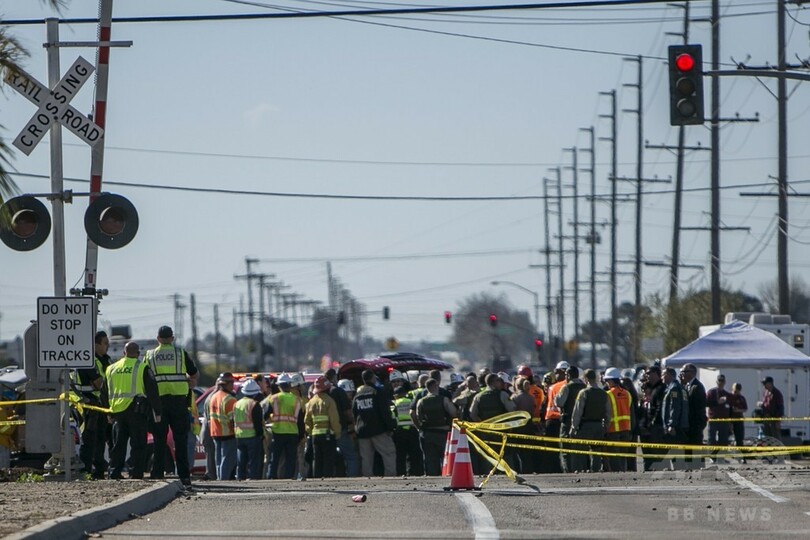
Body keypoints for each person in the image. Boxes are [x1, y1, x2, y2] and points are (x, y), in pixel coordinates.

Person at [144, 325, 198, 488]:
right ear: (172, 338)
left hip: (158, 403)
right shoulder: (180, 353)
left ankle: (157, 474)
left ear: (158, 339)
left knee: (159, 439)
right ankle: (184, 476)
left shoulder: (150, 355)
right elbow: (194, 374)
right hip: (178, 402)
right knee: (180, 440)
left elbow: (145, 377)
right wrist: (189, 383)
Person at [106, 342, 162, 480]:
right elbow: (152, 392)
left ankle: (114, 472)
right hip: (136, 412)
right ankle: (136, 473)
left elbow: (104, 393)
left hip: (117, 412)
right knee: (138, 445)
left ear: (123, 353)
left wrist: (108, 413)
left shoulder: (111, 368)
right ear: (138, 354)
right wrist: (157, 412)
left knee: (118, 445)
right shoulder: (142, 368)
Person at [71, 330, 110, 479]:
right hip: (88, 404)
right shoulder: (88, 361)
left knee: (100, 439)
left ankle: (99, 470)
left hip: (99, 404)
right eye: (105, 343)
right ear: (95, 344)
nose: (107, 346)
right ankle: (86, 471)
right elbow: (99, 383)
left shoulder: (104, 360)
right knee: (89, 440)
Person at [353, 369, 397, 477]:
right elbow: (385, 412)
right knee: (388, 453)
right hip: (378, 430)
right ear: (373, 378)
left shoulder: (357, 396)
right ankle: (390, 477)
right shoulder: (377, 392)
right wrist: (390, 427)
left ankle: (368, 479)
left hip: (362, 431)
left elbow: (355, 414)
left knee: (366, 458)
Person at [569, 369, 610, 473]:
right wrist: (606, 426)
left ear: (586, 379)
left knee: (581, 450)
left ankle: (582, 470)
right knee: (596, 451)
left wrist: (573, 427)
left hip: (585, 425)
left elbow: (577, 411)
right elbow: (608, 412)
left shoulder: (583, 393)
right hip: (598, 425)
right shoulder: (604, 394)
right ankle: (595, 471)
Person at [414, 378, 458, 476]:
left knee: (430, 460)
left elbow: (418, 416)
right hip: (443, 433)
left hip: (428, 433)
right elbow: (454, 413)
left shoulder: (421, 401)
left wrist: (420, 428)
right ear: (435, 386)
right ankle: (446, 475)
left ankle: (432, 479)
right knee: (445, 457)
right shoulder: (444, 399)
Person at [265, 373, 304, 479]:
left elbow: (266, 414)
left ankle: (271, 476)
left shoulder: (273, 399)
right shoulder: (296, 399)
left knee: (275, 457)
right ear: (290, 385)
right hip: (292, 433)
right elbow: (300, 420)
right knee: (290, 458)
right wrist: (301, 435)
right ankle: (289, 477)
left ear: (279, 386)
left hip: (278, 432)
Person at [304, 376, 341, 478]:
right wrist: (337, 434)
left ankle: (317, 480)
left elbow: (307, 421)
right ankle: (327, 480)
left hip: (315, 436)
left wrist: (311, 433)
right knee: (328, 460)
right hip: (328, 436)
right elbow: (334, 420)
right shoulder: (329, 401)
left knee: (317, 459)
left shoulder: (310, 402)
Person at [325, 370, 359, 477]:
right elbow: (347, 412)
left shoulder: (321, 392)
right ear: (334, 377)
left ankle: (326, 476)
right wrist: (354, 425)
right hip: (340, 429)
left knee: (328, 456)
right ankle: (352, 477)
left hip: (324, 431)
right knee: (351, 456)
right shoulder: (339, 392)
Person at [555, 366, 586, 473]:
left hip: (568, 422)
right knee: (580, 449)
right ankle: (581, 469)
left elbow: (559, 403)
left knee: (566, 449)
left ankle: (568, 472)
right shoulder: (585, 386)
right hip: (582, 423)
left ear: (568, 375)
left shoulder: (567, 387)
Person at [207, 373, 238, 480]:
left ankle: (220, 480)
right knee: (227, 460)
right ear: (226, 384)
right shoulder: (229, 399)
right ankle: (224, 480)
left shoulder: (213, 397)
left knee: (219, 460)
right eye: (231, 383)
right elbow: (233, 420)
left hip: (215, 433)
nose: (232, 385)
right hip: (227, 433)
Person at [234, 379, 264, 480]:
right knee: (253, 461)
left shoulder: (237, 404)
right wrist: (261, 435)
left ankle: (240, 478)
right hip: (252, 436)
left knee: (241, 461)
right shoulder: (254, 404)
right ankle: (252, 478)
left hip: (239, 436)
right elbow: (257, 423)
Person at [391, 383, 424, 476]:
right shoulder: (411, 401)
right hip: (412, 430)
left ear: (396, 395)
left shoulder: (394, 403)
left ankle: (401, 473)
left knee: (401, 455)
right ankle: (415, 473)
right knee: (414, 454)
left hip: (399, 431)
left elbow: (392, 417)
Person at [603, 367, 632, 472]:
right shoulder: (627, 393)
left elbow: (607, 413)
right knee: (623, 455)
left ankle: (617, 476)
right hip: (626, 429)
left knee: (614, 457)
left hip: (613, 430)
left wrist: (605, 428)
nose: (606, 383)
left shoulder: (608, 394)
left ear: (611, 380)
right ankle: (623, 473)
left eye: (607, 380)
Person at [639, 365, 666, 471]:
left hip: (656, 427)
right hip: (648, 427)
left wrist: (653, 423)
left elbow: (659, 408)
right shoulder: (652, 388)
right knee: (648, 456)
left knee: (656, 456)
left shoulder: (661, 389)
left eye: (649, 373)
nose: (647, 376)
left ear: (656, 374)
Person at [661, 367, 689, 468]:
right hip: (679, 424)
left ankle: (680, 472)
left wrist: (671, 424)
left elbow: (675, 407)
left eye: (664, 374)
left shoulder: (674, 388)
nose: (662, 377)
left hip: (675, 426)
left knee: (676, 452)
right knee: (676, 452)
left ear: (669, 375)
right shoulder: (677, 387)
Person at [706, 373, 732, 450]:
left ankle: (722, 457)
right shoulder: (711, 392)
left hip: (724, 420)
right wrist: (717, 402)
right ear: (717, 382)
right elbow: (706, 403)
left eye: (722, 381)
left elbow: (730, 408)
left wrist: (730, 421)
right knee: (712, 438)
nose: (721, 382)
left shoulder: (727, 394)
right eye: (719, 380)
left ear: (725, 382)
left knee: (724, 439)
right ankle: (712, 457)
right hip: (714, 419)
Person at [759, 376, 784, 440]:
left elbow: (780, 407)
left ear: (770, 383)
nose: (764, 385)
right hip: (766, 418)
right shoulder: (765, 392)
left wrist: (778, 421)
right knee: (767, 437)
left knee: (775, 437)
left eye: (765, 383)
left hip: (774, 418)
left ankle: (777, 449)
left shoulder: (777, 393)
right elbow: (765, 403)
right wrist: (761, 404)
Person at [728, 383, 748, 451]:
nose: (736, 392)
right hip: (729, 420)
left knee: (739, 438)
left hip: (739, 420)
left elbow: (745, 409)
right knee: (724, 438)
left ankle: (741, 456)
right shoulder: (729, 397)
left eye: (738, 391)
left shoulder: (741, 398)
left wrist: (738, 410)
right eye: (735, 391)